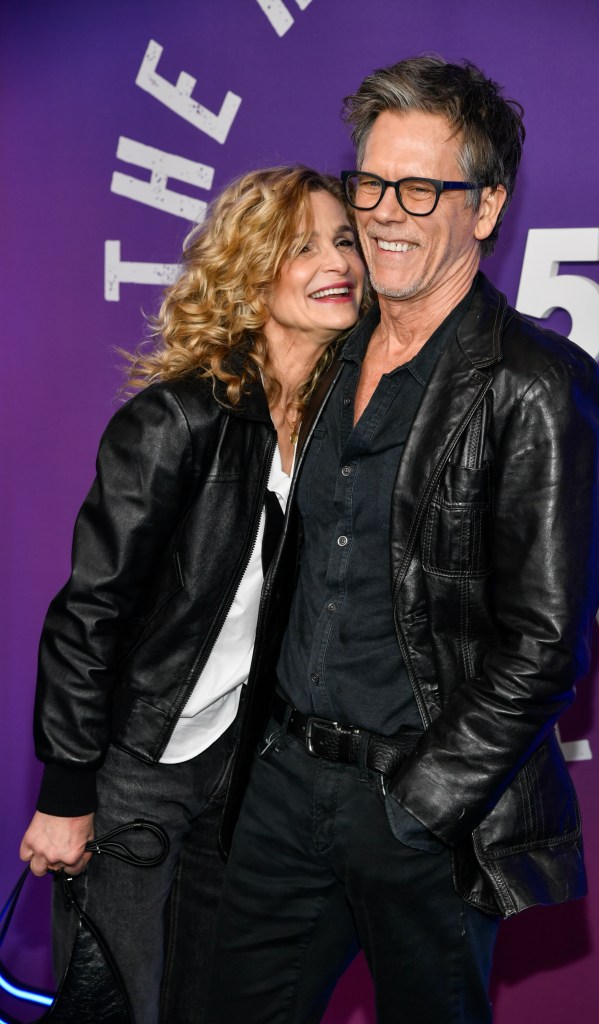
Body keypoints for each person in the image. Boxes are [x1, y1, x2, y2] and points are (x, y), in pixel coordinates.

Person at [206, 58, 599, 1023]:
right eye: (371, 182)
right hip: (279, 789)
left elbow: (546, 643)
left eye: (422, 186)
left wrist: (422, 803)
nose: (385, 211)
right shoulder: (321, 349)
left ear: (485, 207)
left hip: (421, 806)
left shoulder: (535, 383)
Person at [18, 164, 365, 1024]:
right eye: (303, 245)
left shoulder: (343, 433)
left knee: (211, 1003)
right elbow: (88, 615)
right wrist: (67, 795)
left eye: (346, 240)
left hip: (248, 774)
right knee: (118, 1002)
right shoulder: (177, 422)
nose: (339, 262)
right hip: (138, 769)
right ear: (252, 272)